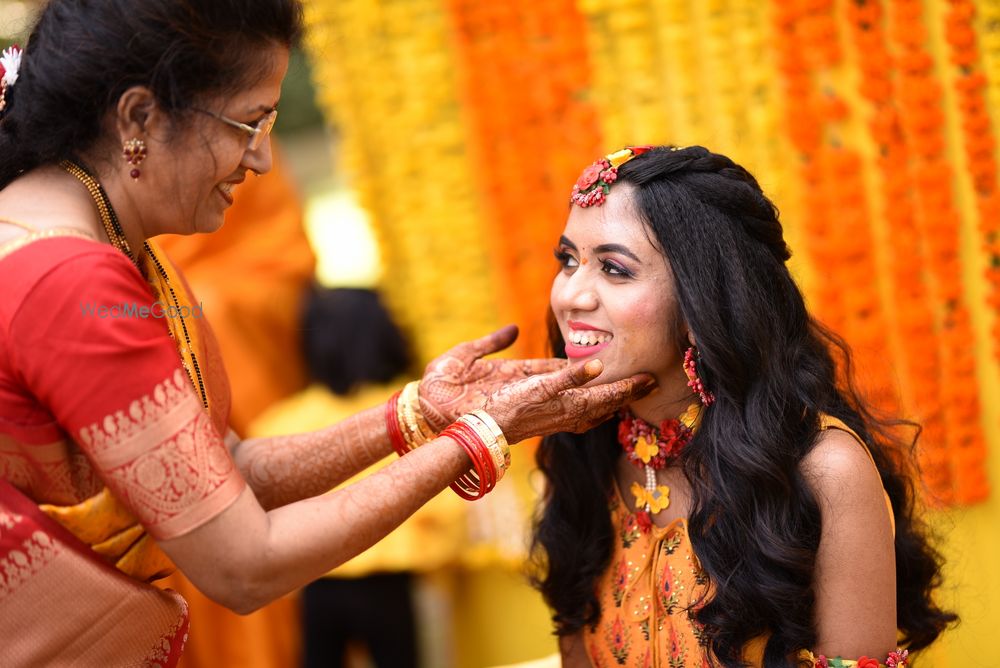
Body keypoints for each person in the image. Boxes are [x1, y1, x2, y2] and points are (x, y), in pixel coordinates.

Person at [0, 2, 654, 666]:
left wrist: (419, 415)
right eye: (248, 123)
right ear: (139, 117)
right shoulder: (69, 278)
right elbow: (244, 564)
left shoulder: (95, 235)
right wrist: (482, 433)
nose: (258, 160)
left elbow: (225, 470)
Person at [530, 145, 956, 667]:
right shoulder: (582, 451)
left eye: (614, 269)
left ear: (700, 302)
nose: (571, 295)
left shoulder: (821, 471)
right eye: (568, 260)